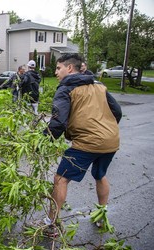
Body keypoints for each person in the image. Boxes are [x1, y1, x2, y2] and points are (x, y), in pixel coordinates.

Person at [42, 53, 122, 236]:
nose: (56, 72)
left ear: (69, 68)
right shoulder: (98, 85)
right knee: (100, 174)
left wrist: (41, 140)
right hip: (111, 140)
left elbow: (58, 123)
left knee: (60, 179)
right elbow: (117, 111)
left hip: (87, 142)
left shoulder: (65, 89)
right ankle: (102, 216)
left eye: (58, 68)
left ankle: (51, 224)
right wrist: (105, 128)